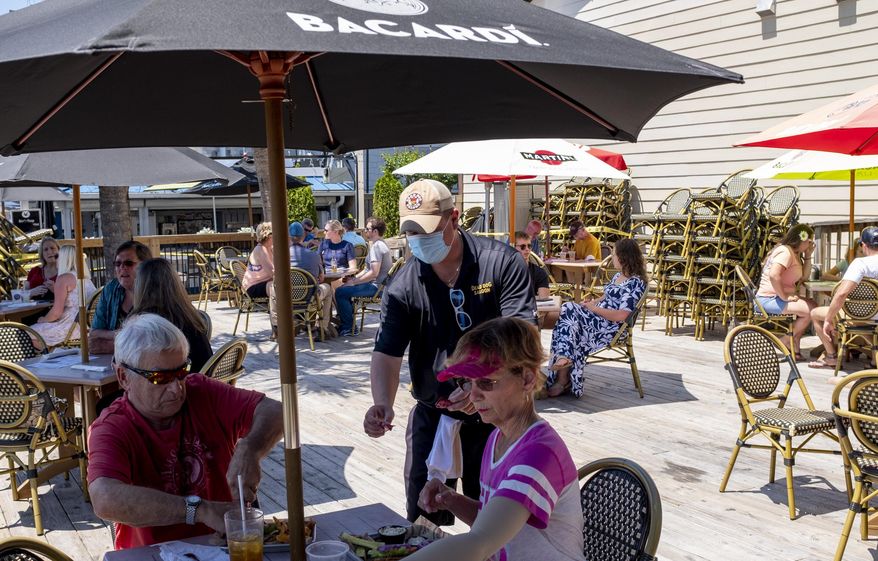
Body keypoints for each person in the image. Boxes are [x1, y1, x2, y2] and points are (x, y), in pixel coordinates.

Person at [363, 179, 536, 525]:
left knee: (492, 524)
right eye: (411, 232)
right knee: (423, 520)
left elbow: (522, 339)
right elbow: (387, 352)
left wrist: (479, 386)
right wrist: (382, 402)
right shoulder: (403, 284)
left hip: (500, 418)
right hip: (434, 412)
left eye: (426, 230)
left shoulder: (500, 263)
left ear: (454, 218)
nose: (419, 241)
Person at [87, 314, 284, 550]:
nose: (176, 389)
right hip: (154, 554)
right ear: (123, 377)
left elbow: (277, 411)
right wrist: (199, 510)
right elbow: (105, 498)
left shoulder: (200, 391)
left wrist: (251, 447)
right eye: (160, 378)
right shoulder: (111, 427)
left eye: (181, 371)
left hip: (227, 548)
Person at [409, 317, 584, 561]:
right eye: (467, 382)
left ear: (527, 379)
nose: (474, 394)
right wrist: (453, 500)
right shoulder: (497, 439)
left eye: (486, 382)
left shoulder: (539, 455)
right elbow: (493, 524)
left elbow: (480, 542)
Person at [547, 239, 646, 398]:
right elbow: (606, 297)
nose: (612, 258)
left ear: (623, 258)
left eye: (614, 255)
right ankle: (563, 367)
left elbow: (623, 315)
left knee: (568, 310)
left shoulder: (635, 283)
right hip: (599, 320)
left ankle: (563, 371)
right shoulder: (619, 277)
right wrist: (592, 303)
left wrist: (594, 309)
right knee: (568, 312)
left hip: (611, 328)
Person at [810, 227, 878, 371]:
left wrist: (828, 319)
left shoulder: (861, 264)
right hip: (874, 317)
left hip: (861, 316)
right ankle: (874, 360)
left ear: (864, 245)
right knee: (865, 323)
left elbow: (841, 294)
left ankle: (831, 356)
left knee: (815, 313)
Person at [131, 258, 212, 371]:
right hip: (201, 383)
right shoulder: (187, 315)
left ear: (140, 287)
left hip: (178, 385)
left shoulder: (147, 324)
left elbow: (122, 362)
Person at [755, 223, 817, 359]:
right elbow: (774, 275)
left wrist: (808, 255)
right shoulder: (785, 252)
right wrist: (784, 297)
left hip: (777, 297)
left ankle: (793, 344)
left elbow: (804, 277)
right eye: (810, 241)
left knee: (813, 306)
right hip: (768, 299)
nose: (812, 244)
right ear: (803, 239)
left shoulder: (794, 253)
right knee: (811, 311)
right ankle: (785, 340)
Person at [89, 241, 153, 354]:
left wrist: (115, 345)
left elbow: (154, 340)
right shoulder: (110, 289)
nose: (122, 267)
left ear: (145, 266)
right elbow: (94, 332)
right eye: (118, 264)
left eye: (128, 263)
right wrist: (119, 335)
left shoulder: (155, 292)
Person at [335, 217, 392, 336]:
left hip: (376, 288)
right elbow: (367, 269)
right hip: (380, 285)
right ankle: (348, 324)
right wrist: (353, 279)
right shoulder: (381, 243)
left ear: (375, 231)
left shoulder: (377, 247)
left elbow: (373, 273)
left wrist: (354, 282)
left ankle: (348, 327)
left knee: (340, 292)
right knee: (345, 287)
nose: (365, 231)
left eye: (367, 229)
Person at [30, 245, 97, 347]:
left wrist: (43, 319)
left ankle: (45, 359)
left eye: (57, 256)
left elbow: (56, 313)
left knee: (28, 332)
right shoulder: (86, 279)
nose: (55, 259)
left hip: (70, 328)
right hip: (86, 327)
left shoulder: (63, 278)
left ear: (64, 258)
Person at [287, 221, 333, 338]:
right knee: (328, 289)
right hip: (310, 298)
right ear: (303, 236)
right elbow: (321, 278)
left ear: (288, 236)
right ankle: (322, 327)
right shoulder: (313, 255)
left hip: (287, 299)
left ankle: (277, 327)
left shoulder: (281, 256)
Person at [513, 231, 550, 300]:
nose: (527, 249)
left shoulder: (539, 273)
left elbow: (545, 301)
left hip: (532, 309)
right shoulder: (504, 272)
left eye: (529, 246)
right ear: (513, 247)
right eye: (522, 246)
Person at [26, 237, 60, 301]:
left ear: (58, 250)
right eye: (46, 249)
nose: (49, 252)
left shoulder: (65, 271)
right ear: (42, 254)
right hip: (33, 309)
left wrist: (55, 290)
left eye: (52, 248)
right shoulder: (34, 271)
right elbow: (22, 296)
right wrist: (31, 292)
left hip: (55, 308)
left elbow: (72, 297)